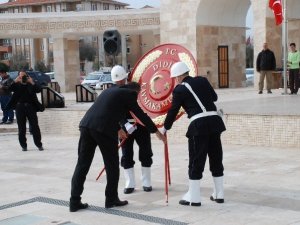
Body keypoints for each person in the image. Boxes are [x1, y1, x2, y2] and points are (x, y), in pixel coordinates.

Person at [69, 81, 166, 212]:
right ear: (136, 92)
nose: (136, 98)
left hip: (86, 125)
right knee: (112, 165)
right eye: (137, 95)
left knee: (82, 165)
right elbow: (140, 115)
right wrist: (157, 133)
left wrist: (118, 128)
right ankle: (111, 199)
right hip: (103, 130)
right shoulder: (130, 94)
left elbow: (107, 110)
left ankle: (74, 201)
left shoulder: (110, 90)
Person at [161, 61, 226, 207]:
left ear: (177, 77)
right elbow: (214, 98)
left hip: (198, 126)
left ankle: (194, 197)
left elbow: (174, 110)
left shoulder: (179, 90)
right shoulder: (202, 80)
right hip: (215, 122)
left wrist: (166, 127)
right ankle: (219, 193)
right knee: (216, 157)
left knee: (196, 160)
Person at [110, 65, 154, 194]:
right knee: (126, 154)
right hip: (125, 128)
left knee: (146, 153)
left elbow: (146, 107)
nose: (120, 82)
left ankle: (147, 182)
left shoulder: (137, 89)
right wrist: (124, 124)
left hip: (141, 126)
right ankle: (130, 183)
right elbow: (116, 111)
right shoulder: (115, 92)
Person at [6, 70, 44, 151]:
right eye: (20, 76)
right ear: (18, 76)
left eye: (24, 76)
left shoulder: (30, 83)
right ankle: (23, 146)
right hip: (20, 108)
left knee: (35, 126)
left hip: (31, 107)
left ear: (27, 76)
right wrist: (14, 81)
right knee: (21, 128)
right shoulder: (16, 84)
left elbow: (39, 89)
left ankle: (39, 144)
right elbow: (8, 89)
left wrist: (32, 82)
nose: (22, 77)